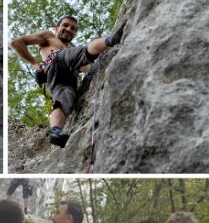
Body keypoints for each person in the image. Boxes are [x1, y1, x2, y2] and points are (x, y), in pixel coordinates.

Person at [11, 16, 125, 148]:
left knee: (65, 98)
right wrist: (37, 65)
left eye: (73, 28)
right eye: (65, 25)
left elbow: (87, 69)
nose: (69, 29)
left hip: (65, 79)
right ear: (56, 28)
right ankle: (111, 40)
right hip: (55, 62)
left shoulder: (71, 52)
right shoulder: (48, 37)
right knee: (83, 52)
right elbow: (16, 43)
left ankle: (56, 131)